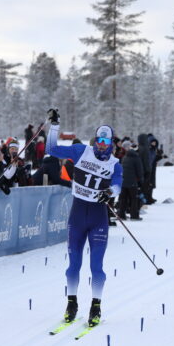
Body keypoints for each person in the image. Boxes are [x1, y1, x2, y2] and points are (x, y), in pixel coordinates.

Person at [45, 108, 122, 328]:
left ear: (111, 143)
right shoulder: (81, 151)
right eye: (99, 140)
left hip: (98, 219)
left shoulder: (114, 163)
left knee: (96, 267)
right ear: (95, 139)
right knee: (73, 266)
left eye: (106, 142)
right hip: (77, 217)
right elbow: (51, 148)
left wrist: (109, 193)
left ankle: (96, 306)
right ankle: (72, 303)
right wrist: (55, 126)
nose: (102, 145)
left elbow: (118, 184)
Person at [118, 141, 143, 221]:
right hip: (132, 182)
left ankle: (121, 215)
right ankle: (134, 215)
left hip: (123, 181)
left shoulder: (125, 157)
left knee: (123, 199)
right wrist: (140, 180)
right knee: (133, 199)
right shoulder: (136, 158)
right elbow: (139, 171)